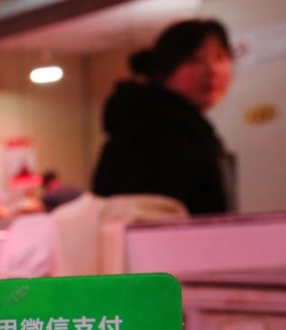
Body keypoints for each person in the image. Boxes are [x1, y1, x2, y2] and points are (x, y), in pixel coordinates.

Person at [91, 18, 235, 216]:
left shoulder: (168, 122)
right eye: (194, 60)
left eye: (221, 57)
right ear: (164, 69)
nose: (212, 70)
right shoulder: (162, 133)